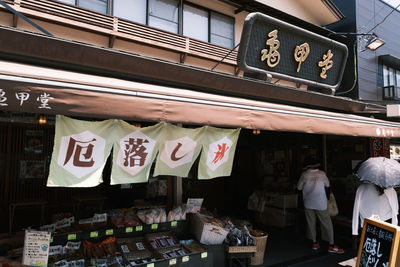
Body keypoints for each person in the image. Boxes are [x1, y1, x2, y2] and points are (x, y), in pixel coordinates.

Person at [297, 157, 344, 253]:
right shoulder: (322, 174)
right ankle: (331, 244)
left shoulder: (304, 175)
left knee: (311, 223)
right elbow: (327, 185)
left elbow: (299, 187)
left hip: (308, 203)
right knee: (327, 223)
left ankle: (314, 243)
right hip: (321, 203)